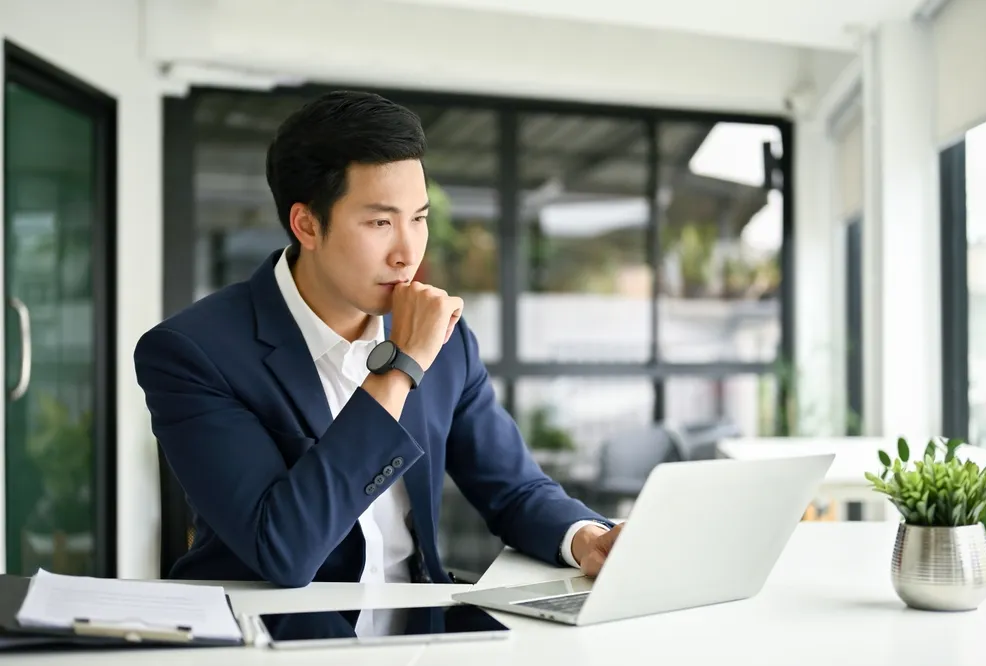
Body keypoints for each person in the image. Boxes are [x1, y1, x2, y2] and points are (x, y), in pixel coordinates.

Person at [133, 91, 622, 634]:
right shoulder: (193, 353)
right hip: (276, 640)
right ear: (307, 225)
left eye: (419, 218)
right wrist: (401, 368)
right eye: (379, 223)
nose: (407, 252)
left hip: (418, 636)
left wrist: (587, 540)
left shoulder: (447, 342)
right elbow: (284, 550)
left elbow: (514, 489)